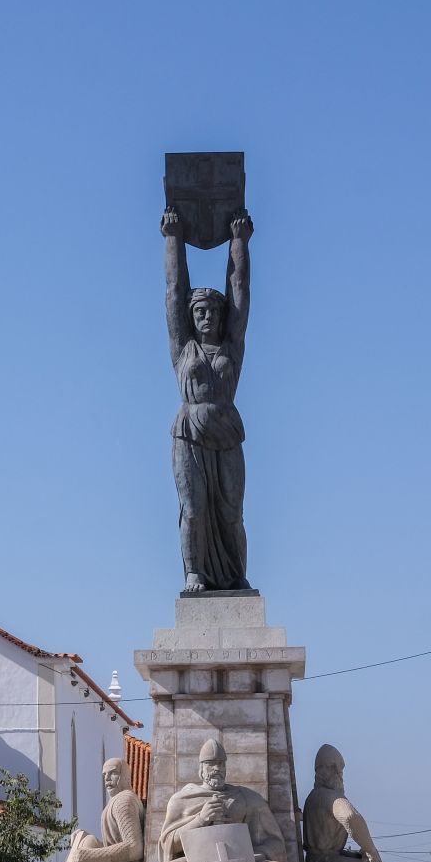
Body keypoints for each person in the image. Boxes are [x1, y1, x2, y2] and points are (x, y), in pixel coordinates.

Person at [163, 207, 252, 593]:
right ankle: (193, 573)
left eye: (212, 312)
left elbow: (240, 294)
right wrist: (173, 239)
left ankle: (235, 575)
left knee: (232, 512)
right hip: (189, 434)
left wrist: (239, 242)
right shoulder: (183, 350)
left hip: (227, 432)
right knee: (194, 510)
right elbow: (172, 290)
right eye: (198, 311)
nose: (205, 317)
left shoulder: (232, 347)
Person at [146, 737, 298, 862]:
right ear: (200, 768)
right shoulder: (182, 800)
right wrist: (200, 819)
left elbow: (275, 842)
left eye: (220, 764)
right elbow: (167, 844)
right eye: (210, 764)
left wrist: (256, 855)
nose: (216, 768)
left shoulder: (247, 799)